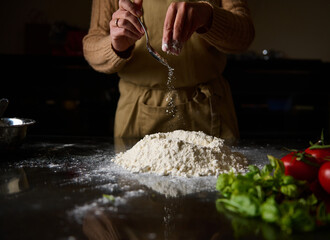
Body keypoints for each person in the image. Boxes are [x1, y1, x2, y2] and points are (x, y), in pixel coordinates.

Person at [83, 0, 255, 143]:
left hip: (209, 108)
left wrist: (208, 17)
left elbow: (245, 35)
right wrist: (115, 45)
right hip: (137, 114)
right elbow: (92, 49)